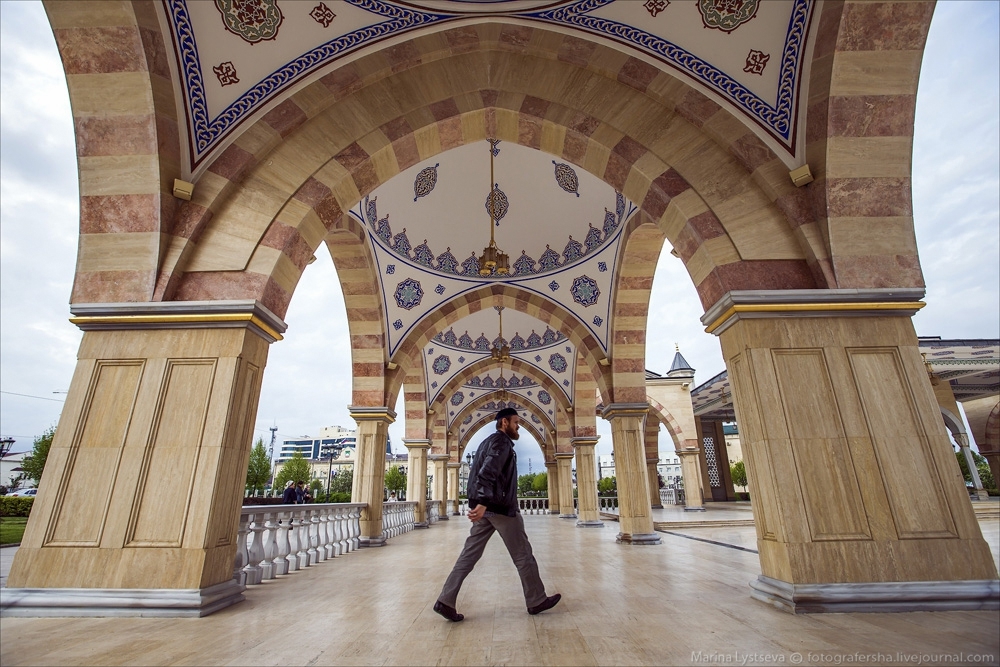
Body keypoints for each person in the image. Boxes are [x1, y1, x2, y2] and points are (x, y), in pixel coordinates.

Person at [433, 407, 560, 622]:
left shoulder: (486, 442)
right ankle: (536, 600)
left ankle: (445, 600)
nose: (518, 426)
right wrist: (483, 502)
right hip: (500, 508)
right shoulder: (501, 443)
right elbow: (488, 471)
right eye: (516, 422)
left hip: (487, 509)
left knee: (468, 556)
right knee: (523, 555)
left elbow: (480, 473)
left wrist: (480, 503)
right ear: (504, 423)